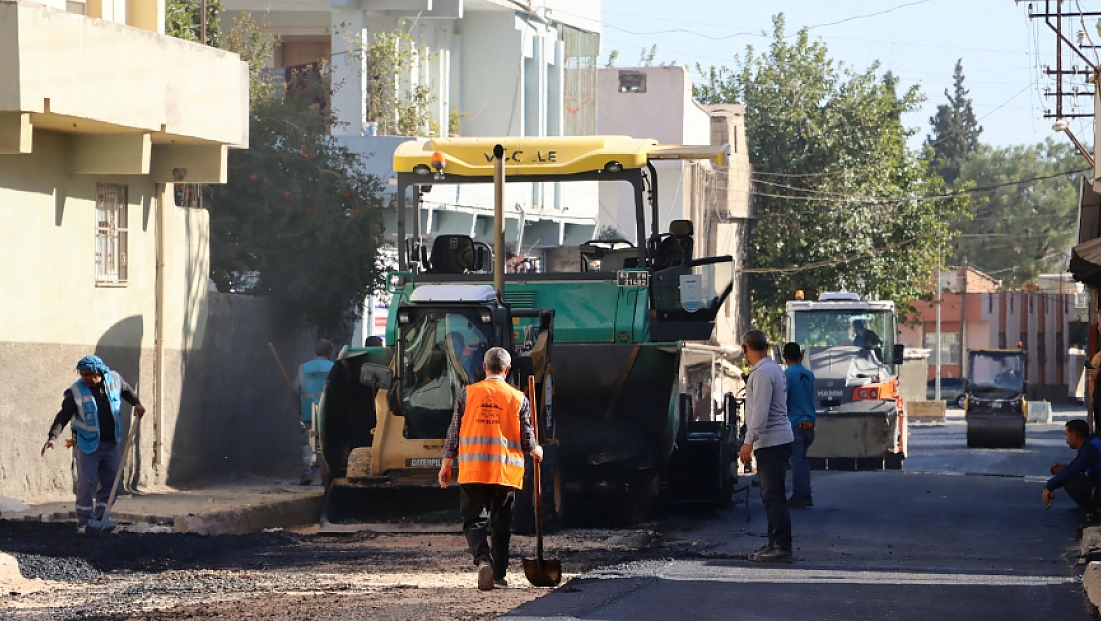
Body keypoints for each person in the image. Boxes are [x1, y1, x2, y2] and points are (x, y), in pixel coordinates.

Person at [439, 347, 543, 590]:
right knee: (501, 524)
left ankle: (483, 560)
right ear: (507, 370)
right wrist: (537, 450)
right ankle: (498, 575)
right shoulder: (519, 398)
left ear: (484, 368)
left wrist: (446, 464)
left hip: (473, 471)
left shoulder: (468, 395)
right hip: (505, 473)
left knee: (474, 521)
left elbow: (453, 431)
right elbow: (527, 437)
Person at [41, 355, 145, 532]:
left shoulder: (114, 380)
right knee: (86, 483)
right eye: (83, 375)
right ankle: (85, 521)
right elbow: (63, 415)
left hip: (111, 444)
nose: (86, 378)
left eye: (89, 374)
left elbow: (127, 390)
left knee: (111, 483)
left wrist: (136, 403)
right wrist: (52, 437)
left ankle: (102, 517)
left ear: (99, 372)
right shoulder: (76, 392)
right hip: (88, 446)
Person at [739, 330, 796, 563]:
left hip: (771, 441)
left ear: (745, 349)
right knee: (771, 495)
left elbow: (760, 412)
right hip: (776, 439)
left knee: (773, 495)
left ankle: (781, 545)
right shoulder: (772, 369)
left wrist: (748, 442)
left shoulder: (762, 374)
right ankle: (774, 542)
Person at [295, 339, 334, 485]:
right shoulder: (334, 367)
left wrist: (299, 405)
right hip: (329, 413)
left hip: (308, 412)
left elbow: (297, 388)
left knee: (308, 444)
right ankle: (327, 475)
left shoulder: (303, 368)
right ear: (329, 352)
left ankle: (307, 474)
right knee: (329, 442)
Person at [783, 342, 816, 509]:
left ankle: (799, 495)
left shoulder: (786, 375)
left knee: (797, 460)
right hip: (810, 422)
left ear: (784, 357)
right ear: (801, 355)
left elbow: (783, 399)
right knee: (802, 459)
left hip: (795, 422)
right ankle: (806, 493)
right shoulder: (809, 375)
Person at [1044, 419, 1101, 514]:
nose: (1066, 439)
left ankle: (1094, 513)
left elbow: (1074, 470)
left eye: (1067, 435)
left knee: (1071, 483)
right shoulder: (1091, 443)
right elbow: (1075, 466)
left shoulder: (1091, 448)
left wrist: (1049, 487)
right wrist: (1062, 470)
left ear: (1074, 437)